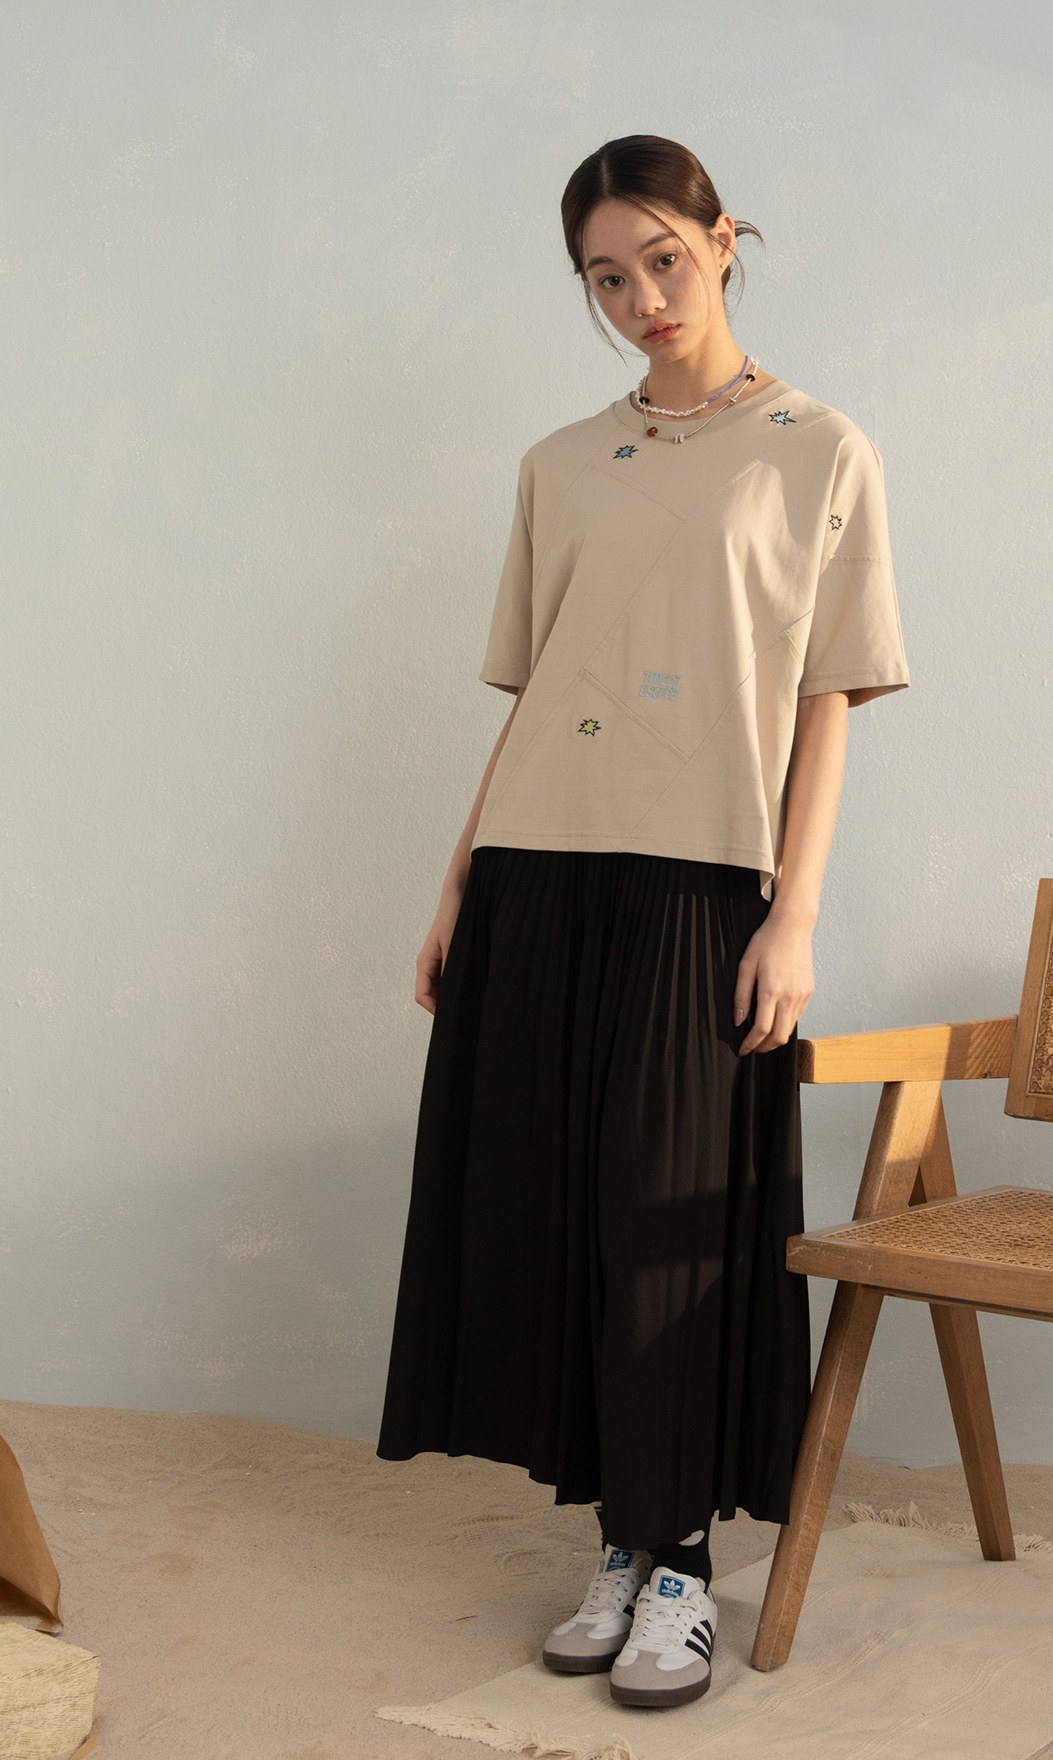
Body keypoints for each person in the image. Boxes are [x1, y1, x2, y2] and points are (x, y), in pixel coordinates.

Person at [375, 134, 911, 1710]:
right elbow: (538, 692)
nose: (640, 299)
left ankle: (679, 1564)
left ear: (725, 239)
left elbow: (827, 702)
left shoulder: (821, 451)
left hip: (707, 875)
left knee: (669, 1218)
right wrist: (458, 879)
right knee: (559, 1209)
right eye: (605, 279)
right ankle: (620, 1542)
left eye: (662, 260)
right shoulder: (560, 464)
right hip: (540, 865)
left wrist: (794, 914)